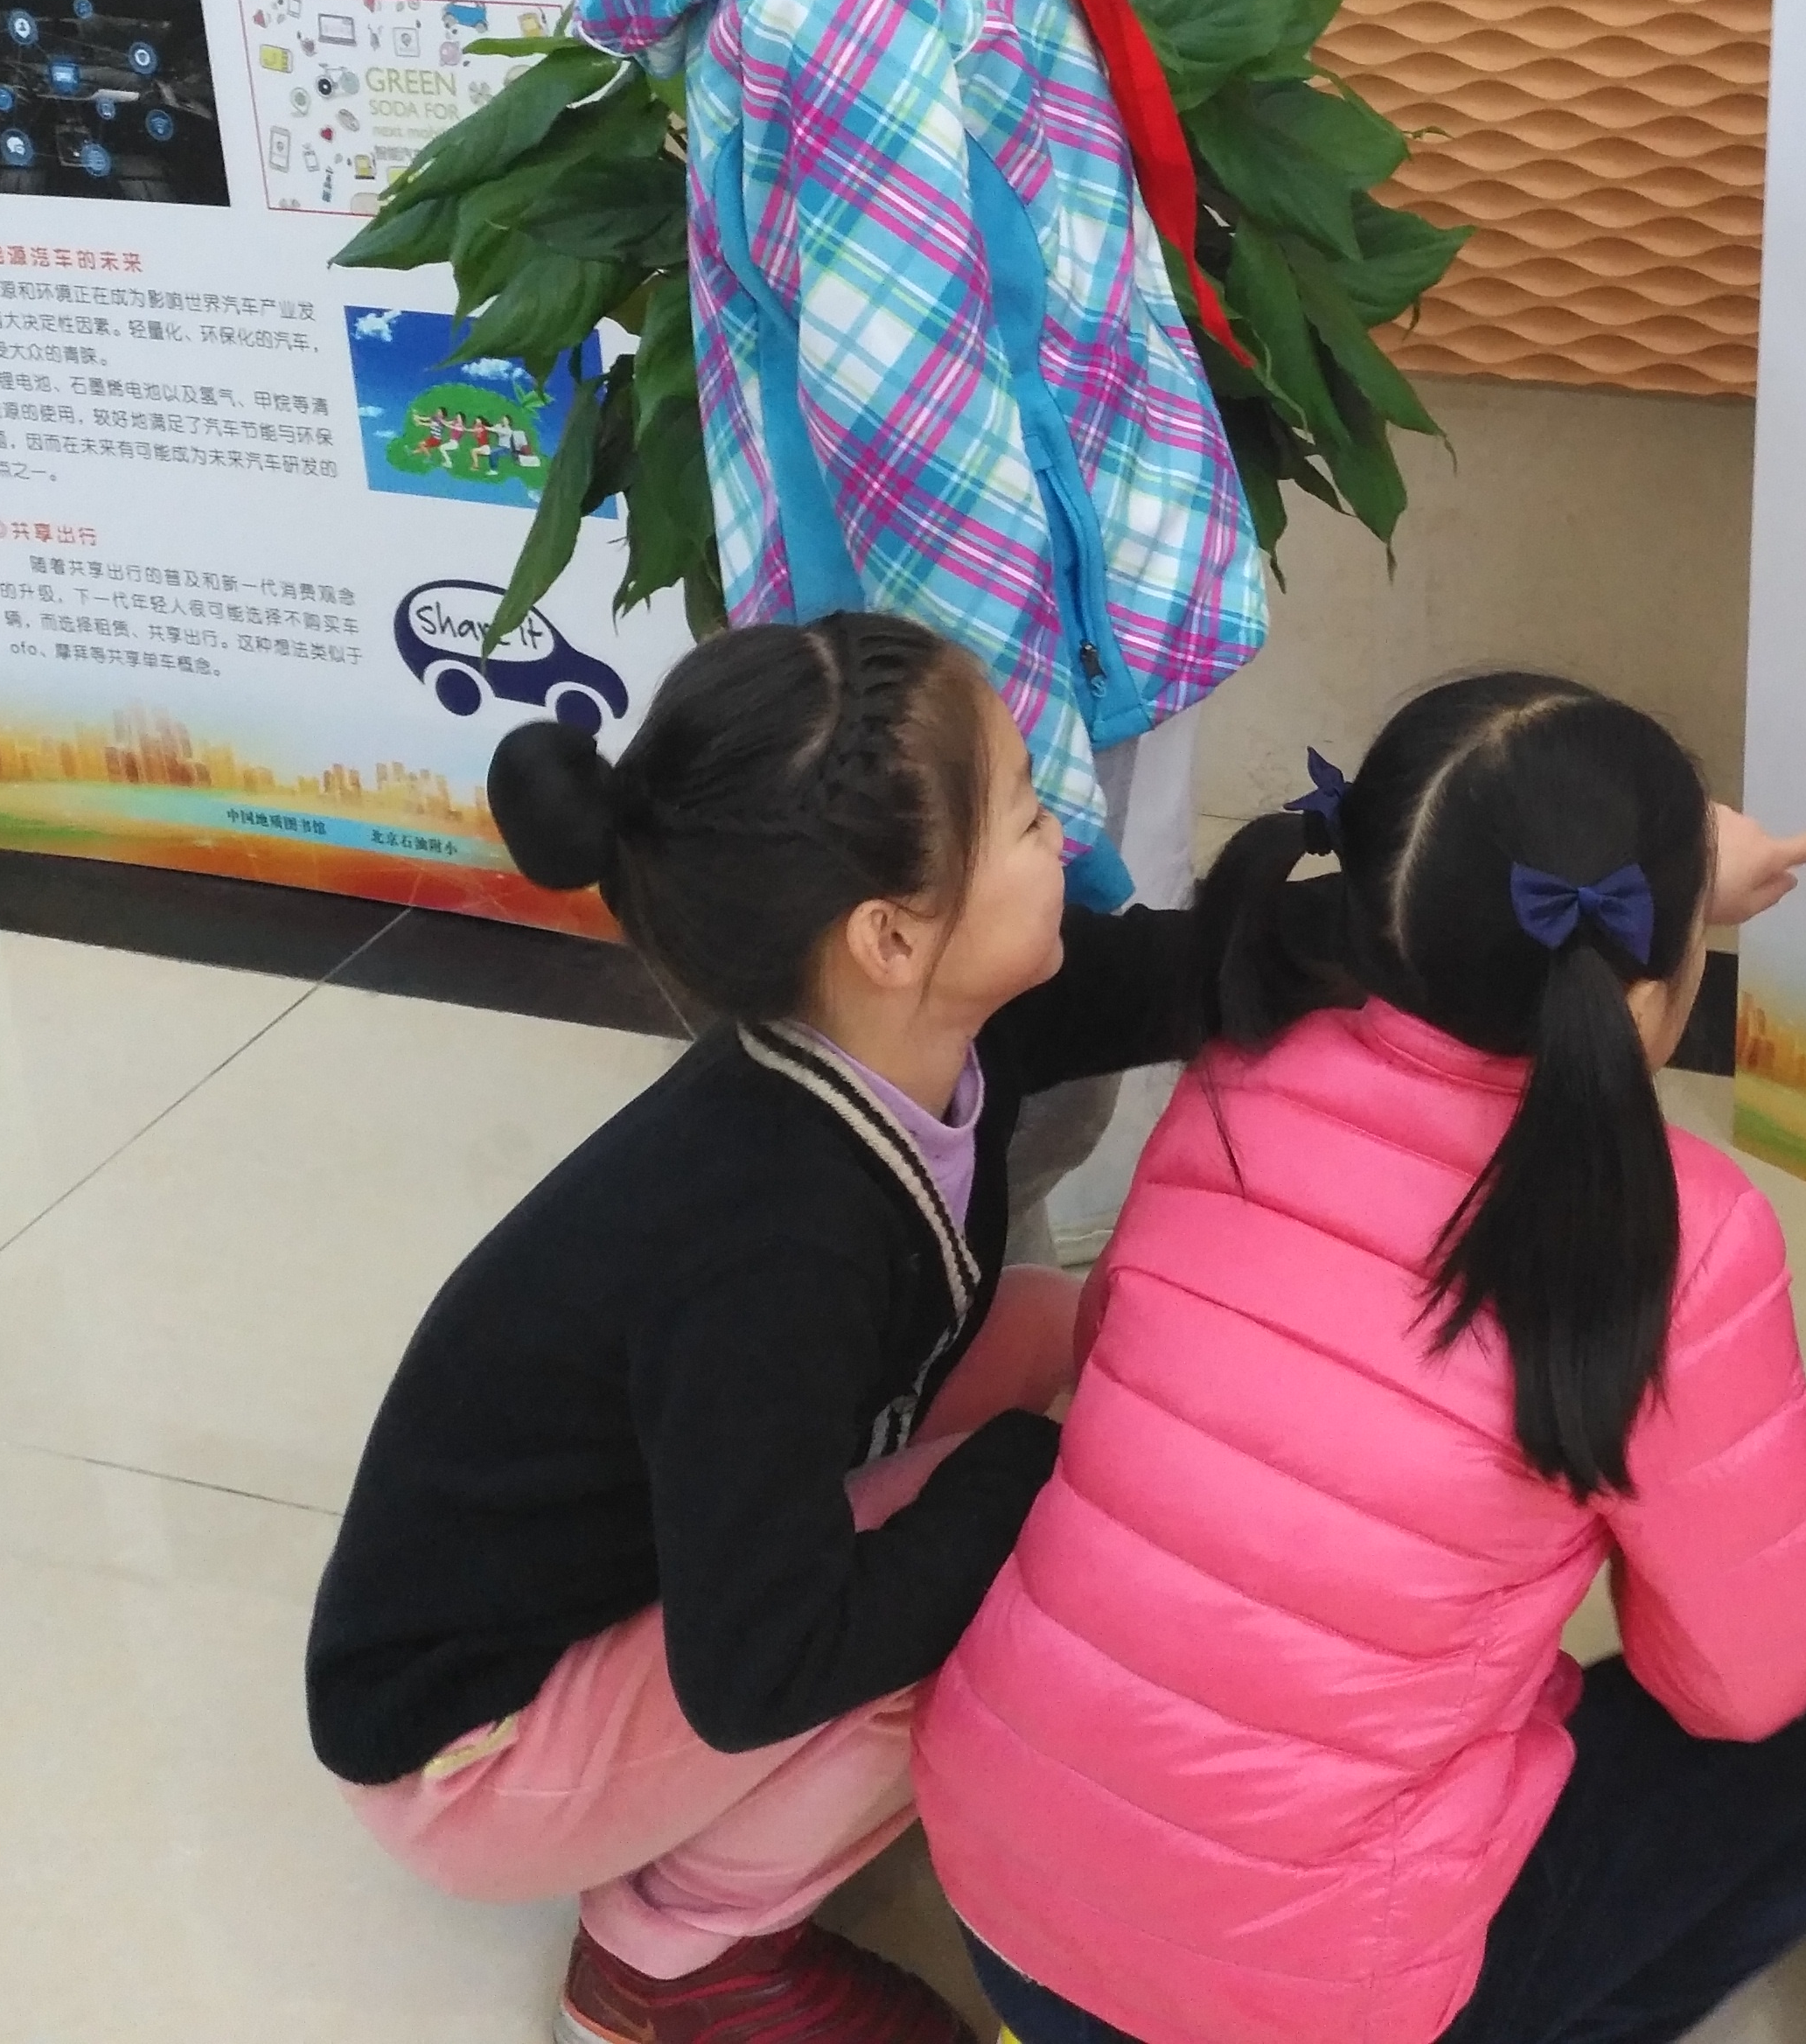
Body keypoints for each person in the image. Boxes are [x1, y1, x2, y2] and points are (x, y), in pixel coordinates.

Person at [910, 675, 1806, 2044]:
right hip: (1309, 2009)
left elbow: (1113, 1369)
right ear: (1651, 987)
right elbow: (1743, 1684)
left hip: (1002, 1897)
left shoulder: (1234, 1074)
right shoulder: (1681, 1228)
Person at [561, 0, 1265, 1260]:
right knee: (996, 1110)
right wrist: (1013, 814)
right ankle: (946, 1362)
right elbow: (916, 446)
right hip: (1005, 706)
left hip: (1056, 649)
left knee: (1000, 1107)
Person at [303, 613, 1210, 2044]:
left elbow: (1175, 973)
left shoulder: (909, 1026)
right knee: (1026, 1536)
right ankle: (669, 1961)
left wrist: (1409, 913)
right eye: (1026, 811)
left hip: (648, 1578)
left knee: (1064, 1334)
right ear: (891, 934)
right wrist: (1011, 1487)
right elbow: (759, 1667)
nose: (1062, 830)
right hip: (474, 1753)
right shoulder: (768, 1245)